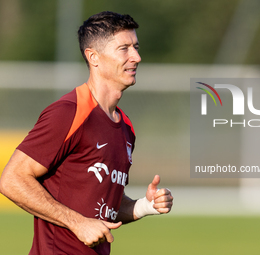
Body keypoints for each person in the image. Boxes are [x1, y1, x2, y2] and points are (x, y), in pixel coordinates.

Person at [0, 11, 173, 255]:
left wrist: (144, 206)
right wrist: (76, 223)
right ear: (94, 57)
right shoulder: (69, 113)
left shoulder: (126, 127)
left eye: (136, 47)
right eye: (124, 48)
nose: (136, 57)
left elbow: (103, 206)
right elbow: (11, 179)